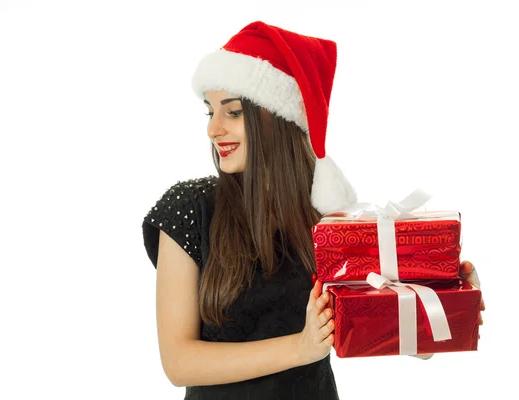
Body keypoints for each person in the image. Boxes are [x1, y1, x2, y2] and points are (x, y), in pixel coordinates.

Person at [141, 21, 485, 399]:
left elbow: (394, 333)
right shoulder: (189, 210)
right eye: (210, 113)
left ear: (275, 116)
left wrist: (449, 307)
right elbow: (178, 361)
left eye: (233, 113)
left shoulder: (329, 219)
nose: (214, 130)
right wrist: (301, 348)